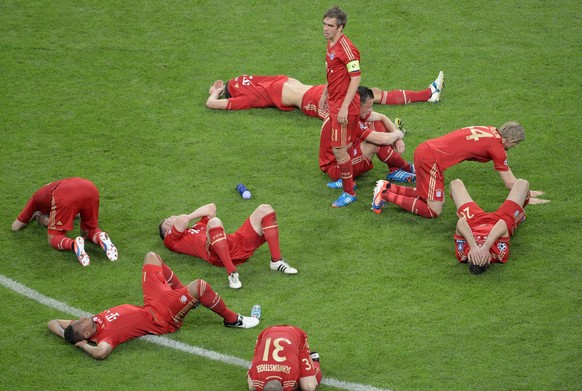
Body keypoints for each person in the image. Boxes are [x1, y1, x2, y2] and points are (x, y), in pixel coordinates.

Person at [48, 252, 259, 360]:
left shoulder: (90, 325)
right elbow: (101, 353)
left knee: (151, 257)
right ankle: (233, 320)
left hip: (151, 303)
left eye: (78, 320)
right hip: (163, 318)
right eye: (80, 323)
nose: (82, 318)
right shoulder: (104, 337)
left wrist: (67, 336)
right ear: (86, 336)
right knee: (200, 286)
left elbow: (52, 322)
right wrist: (84, 347)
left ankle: (180, 292)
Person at [371, 122, 545, 217]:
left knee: (427, 197)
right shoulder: (498, 149)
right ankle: (385, 195)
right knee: (434, 209)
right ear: (512, 142)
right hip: (431, 161)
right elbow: (510, 183)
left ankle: (387, 187)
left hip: (427, 149)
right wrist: (527, 197)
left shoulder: (490, 130)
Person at [159, 203, 297, 290]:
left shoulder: (196, 227)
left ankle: (276, 261)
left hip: (236, 243)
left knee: (265, 209)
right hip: (216, 254)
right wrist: (185, 218)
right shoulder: (171, 240)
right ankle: (232, 273)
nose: (172, 218)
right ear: (166, 231)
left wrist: (190, 218)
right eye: (167, 221)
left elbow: (211, 207)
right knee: (214, 222)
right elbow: (182, 219)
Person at [206, 71, 444, 117]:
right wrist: (219, 90)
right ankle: (427, 94)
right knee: (360, 106)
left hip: (313, 96)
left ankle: (428, 94)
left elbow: (211, 104)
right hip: (312, 98)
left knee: (366, 97)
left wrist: (215, 94)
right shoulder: (256, 81)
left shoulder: (248, 96)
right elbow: (213, 104)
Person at [321, 86, 414, 188]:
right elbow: (381, 140)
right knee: (375, 144)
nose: (371, 109)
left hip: (346, 152)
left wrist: (398, 139)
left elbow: (382, 117)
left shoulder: (350, 110)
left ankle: (395, 169)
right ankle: (408, 168)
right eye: (368, 107)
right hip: (336, 167)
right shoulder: (349, 118)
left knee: (377, 123)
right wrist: (398, 134)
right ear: (358, 105)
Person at [11, 177, 117, 266]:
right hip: (90, 188)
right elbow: (77, 212)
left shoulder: (36, 199)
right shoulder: (51, 189)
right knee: (88, 229)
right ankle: (100, 236)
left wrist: (35, 215)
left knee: (53, 237)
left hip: (66, 195)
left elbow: (15, 226)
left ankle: (74, 244)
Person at [320, 6, 361, 207]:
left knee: (339, 150)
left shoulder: (347, 49)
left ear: (340, 27)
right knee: (346, 146)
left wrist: (344, 107)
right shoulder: (331, 44)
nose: (325, 29)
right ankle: (346, 179)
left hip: (345, 107)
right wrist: (325, 92)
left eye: (330, 26)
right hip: (336, 102)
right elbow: (334, 72)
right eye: (325, 24)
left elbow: (356, 78)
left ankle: (349, 192)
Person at [450, 178, 535, 274]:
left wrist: (473, 246)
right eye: (481, 256)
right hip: (502, 219)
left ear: (469, 258)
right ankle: (520, 211)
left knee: (455, 184)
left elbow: (461, 222)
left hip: (473, 220)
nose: (479, 252)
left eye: (475, 256)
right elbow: (502, 224)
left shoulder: (463, 254)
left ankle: (519, 209)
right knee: (522, 183)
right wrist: (486, 247)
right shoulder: (500, 254)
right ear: (489, 259)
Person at [247, 325, 322, 391]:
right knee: (252, 386)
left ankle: (314, 360)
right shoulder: (256, 381)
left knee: (309, 387)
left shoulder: (290, 378)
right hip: (266, 334)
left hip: (295, 334)